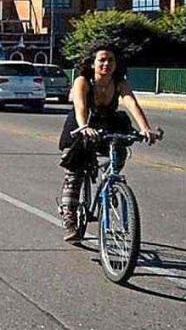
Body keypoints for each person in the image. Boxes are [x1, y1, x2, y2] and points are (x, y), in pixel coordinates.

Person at [57, 45, 160, 241]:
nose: (106, 64)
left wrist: (145, 128)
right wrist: (83, 127)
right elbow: (80, 105)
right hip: (82, 124)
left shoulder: (119, 83)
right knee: (74, 172)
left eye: (110, 60)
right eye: (102, 60)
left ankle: (109, 182)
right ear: (92, 63)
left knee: (120, 148)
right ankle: (69, 218)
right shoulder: (83, 81)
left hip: (107, 123)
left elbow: (131, 103)